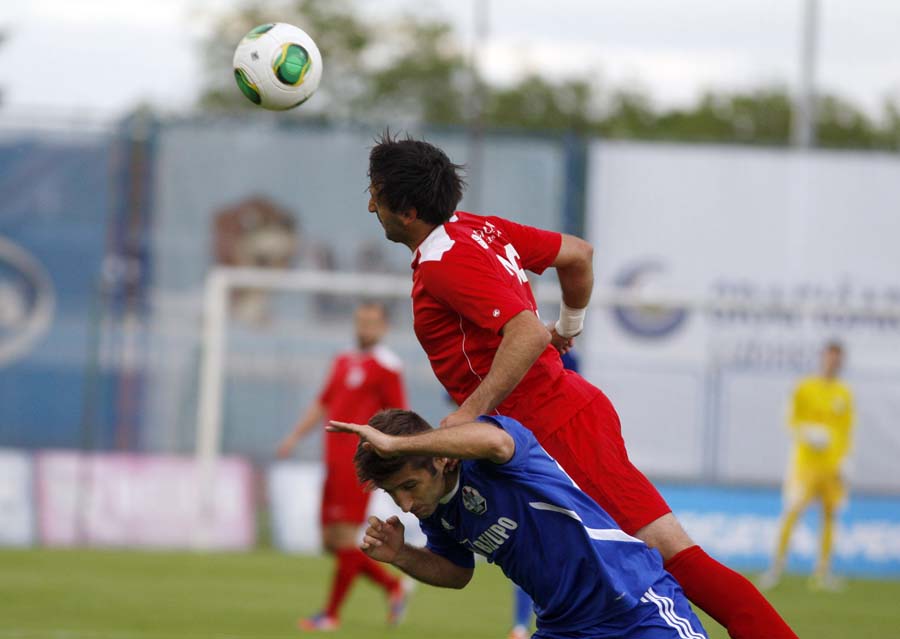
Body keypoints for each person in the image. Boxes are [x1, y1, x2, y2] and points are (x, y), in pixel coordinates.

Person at [365, 132, 796, 638]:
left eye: (375, 194)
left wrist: (469, 412)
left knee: (673, 556)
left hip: (548, 422)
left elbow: (524, 330)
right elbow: (578, 254)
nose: (370, 204)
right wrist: (569, 326)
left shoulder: (445, 263)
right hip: (558, 411)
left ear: (408, 210)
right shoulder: (479, 230)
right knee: (581, 567)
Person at [330, 409, 708, 639]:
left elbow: (497, 443)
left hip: (633, 602)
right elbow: (458, 573)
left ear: (441, 458)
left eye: (409, 486)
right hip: (565, 628)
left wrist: (399, 445)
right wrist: (401, 555)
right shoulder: (439, 513)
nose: (406, 505)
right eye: (395, 494)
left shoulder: (490, 457)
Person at [276, 301, 411, 631]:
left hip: (358, 463)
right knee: (330, 541)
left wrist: (389, 460)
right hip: (332, 462)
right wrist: (294, 436)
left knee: (346, 538)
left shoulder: (387, 366)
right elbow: (323, 402)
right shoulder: (342, 359)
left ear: (383, 327)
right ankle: (393, 587)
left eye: (371, 322)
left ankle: (331, 615)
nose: (365, 327)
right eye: (361, 320)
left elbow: (398, 415)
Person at [759, 340, 854, 591]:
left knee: (830, 517)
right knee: (792, 512)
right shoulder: (804, 387)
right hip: (805, 465)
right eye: (830, 357)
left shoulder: (844, 393)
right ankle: (776, 568)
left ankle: (822, 573)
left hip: (832, 468)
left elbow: (846, 431)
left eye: (837, 358)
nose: (833, 362)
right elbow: (789, 419)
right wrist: (807, 433)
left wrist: (845, 461)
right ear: (823, 357)